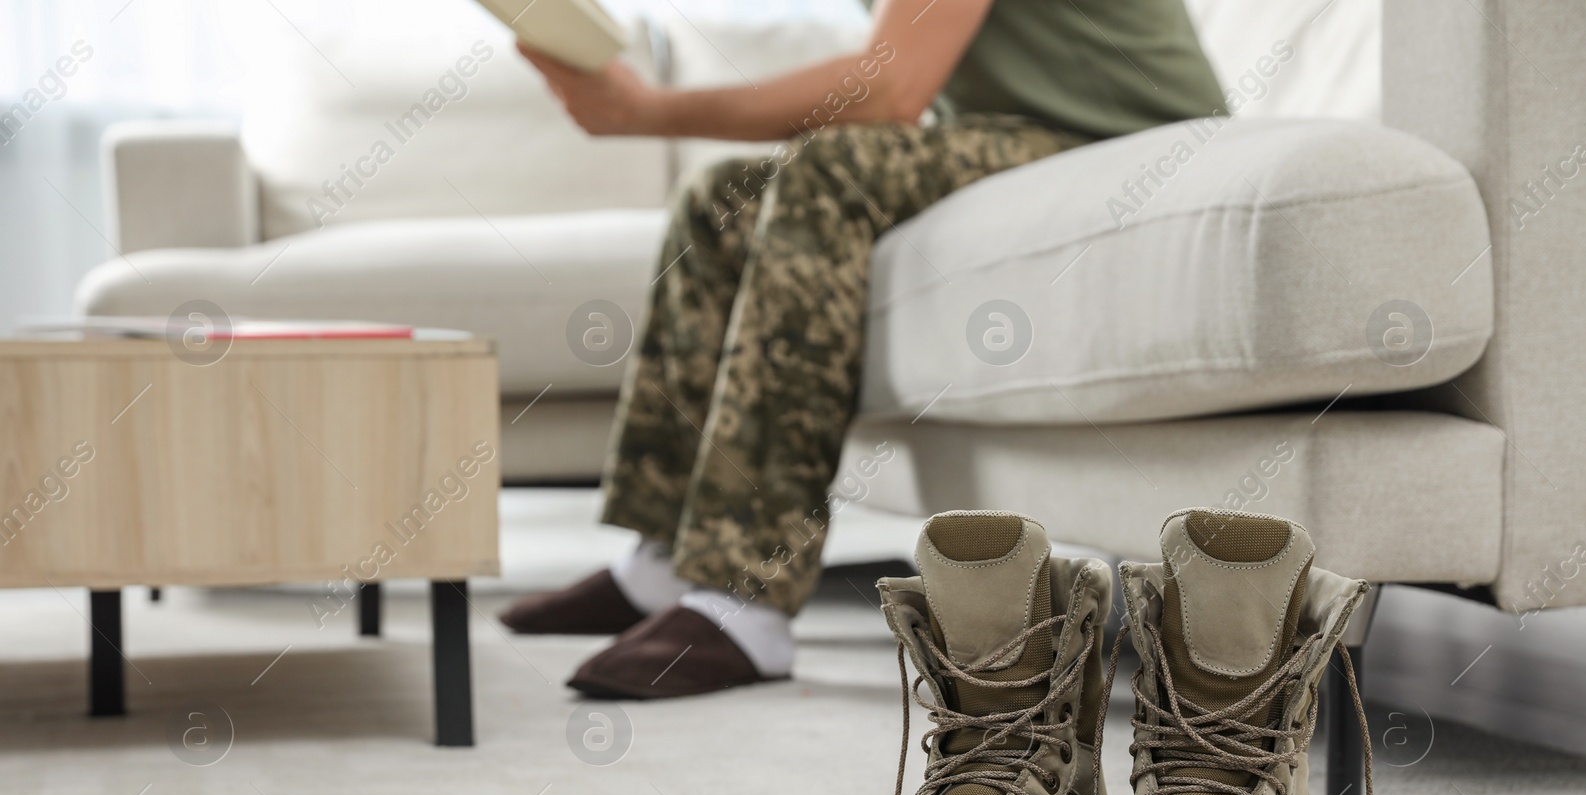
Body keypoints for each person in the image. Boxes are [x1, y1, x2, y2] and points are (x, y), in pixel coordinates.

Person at [501, 0, 1226, 699]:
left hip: (1136, 150)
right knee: (717, 199)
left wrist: (646, 111)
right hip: (1026, 135)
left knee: (826, 173)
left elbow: (888, 88)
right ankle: (661, 558)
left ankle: (746, 604)